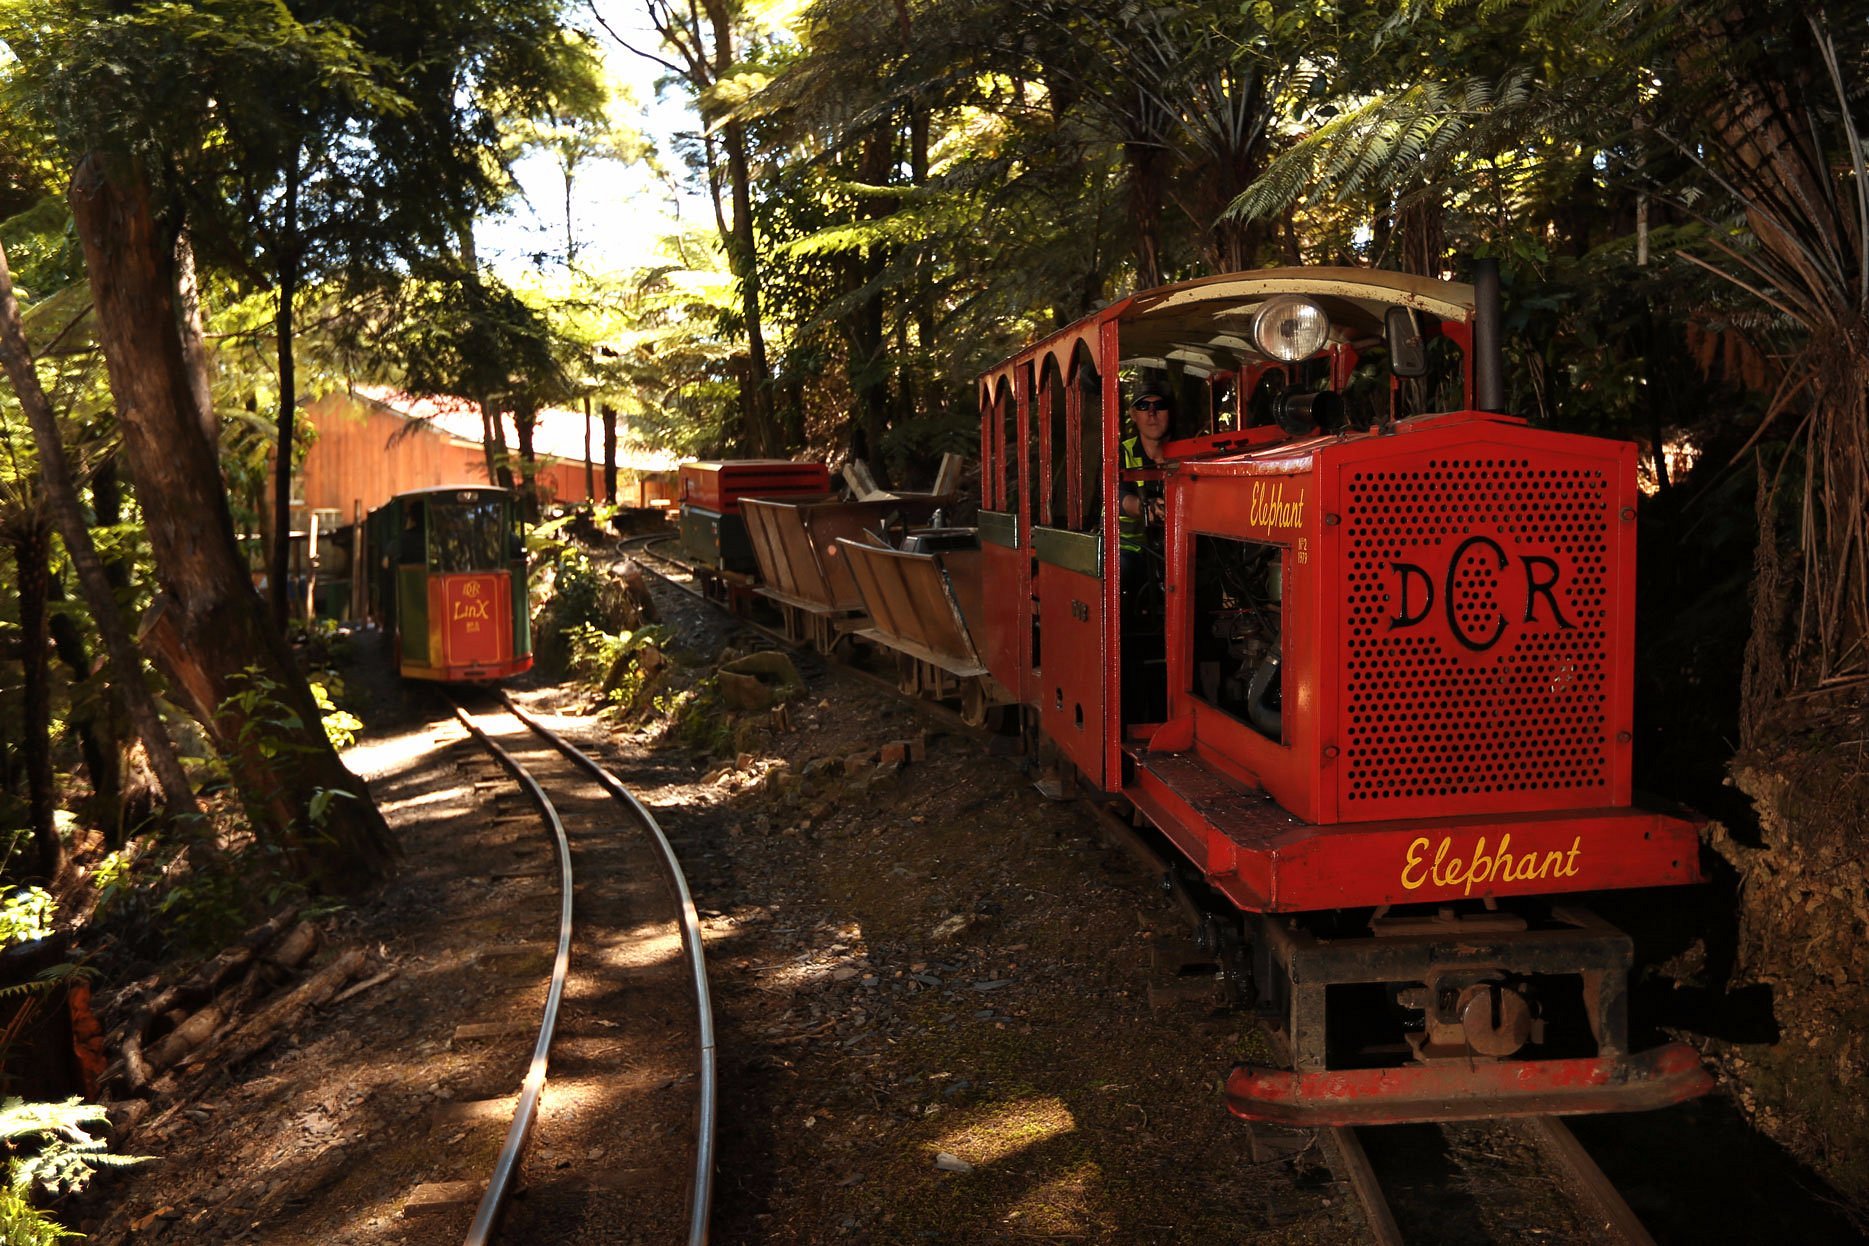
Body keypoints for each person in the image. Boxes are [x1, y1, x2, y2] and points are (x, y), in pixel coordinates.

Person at [1117, 382, 1173, 592]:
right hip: (1128, 548)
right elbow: (1114, 496)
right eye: (1143, 406)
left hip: (1176, 547)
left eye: (1159, 405)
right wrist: (1144, 508)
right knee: (1121, 574)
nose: (1152, 413)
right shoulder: (1120, 452)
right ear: (1133, 414)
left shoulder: (1187, 450)